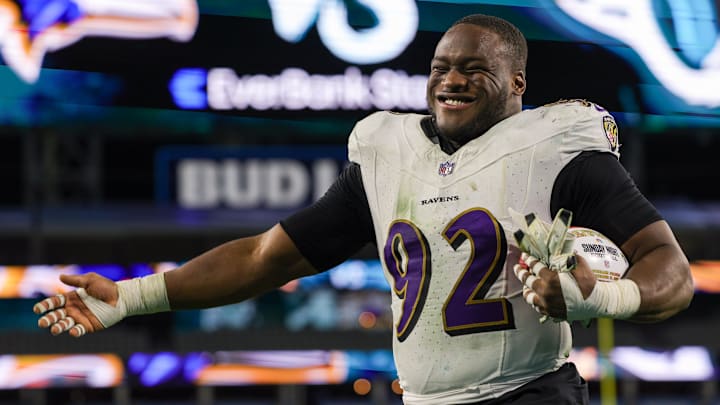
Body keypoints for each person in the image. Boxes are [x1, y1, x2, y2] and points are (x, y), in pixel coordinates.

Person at [33, 14, 693, 404]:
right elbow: (267, 256)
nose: (451, 79)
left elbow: (673, 270)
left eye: (474, 68)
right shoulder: (389, 156)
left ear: (518, 84)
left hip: (530, 395)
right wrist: (130, 296)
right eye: (440, 66)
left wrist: (600, 299)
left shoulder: (558, 148)